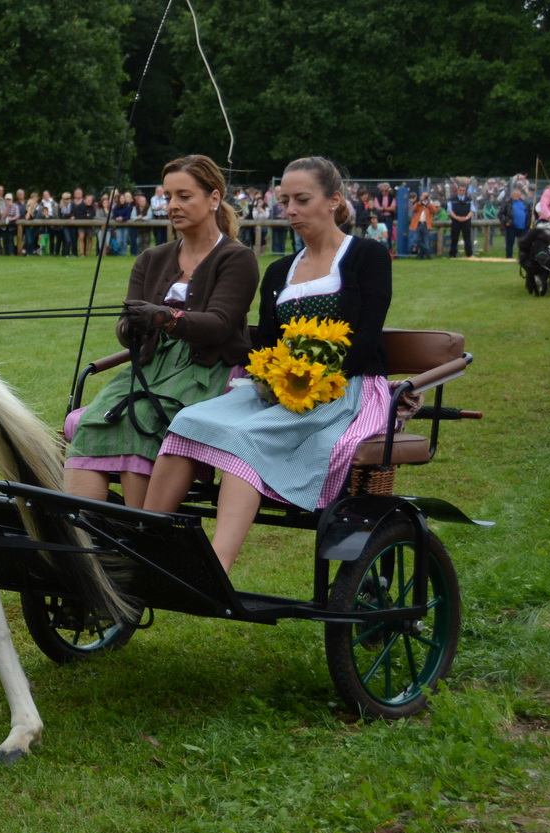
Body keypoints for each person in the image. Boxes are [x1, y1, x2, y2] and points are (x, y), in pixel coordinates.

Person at [143, 156, 393, 570]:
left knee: (246, 438)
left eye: (302, 200)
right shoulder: (279, 271)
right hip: (281, 389)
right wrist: (269, 379)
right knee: (187, 421)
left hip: (346, 389)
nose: (290, 210)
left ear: (334, 200)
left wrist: (314, 381)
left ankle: (217, 569)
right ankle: (146, 548)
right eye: (285, 201)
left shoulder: (367, 256)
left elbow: (366, 337)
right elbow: (268, 344)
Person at [65, 156, 260, 508]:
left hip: (208, 367)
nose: (172, 206)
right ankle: (83, 530)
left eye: (184, 196)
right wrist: (131, 325)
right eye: (168, 197)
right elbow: (127, 332)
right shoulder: (151, 258)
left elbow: (218, 326)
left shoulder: (237, 258)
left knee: (141, 418)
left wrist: (165, 318)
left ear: (214, 199)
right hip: (150, 365)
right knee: (93, 421)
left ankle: (142, 529)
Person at [504, 179, 533, 258]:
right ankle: (509, 258)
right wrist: (506, 221)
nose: (516, 196)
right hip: (511, 226)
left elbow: (530, 213)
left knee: (523, 244)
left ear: (520, 195)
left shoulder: (525, 203)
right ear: (512, 195)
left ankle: (522, 258)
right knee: (510, 243)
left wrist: (529, 223)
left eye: (517, 194)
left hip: (524, 227)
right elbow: (501, 214)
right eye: (514, 194)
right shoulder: (508, 203)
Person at [447, 178, 475, 256]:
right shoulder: (452, 200)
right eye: (460, 190)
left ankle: (469, 254)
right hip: (455, 222)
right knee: (454, 238)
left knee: (467, 238)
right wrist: (456, 217)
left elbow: (472, 210)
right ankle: (453, 254)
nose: (462, 192)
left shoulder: (469, 200)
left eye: (463, 190)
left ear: (465, 191)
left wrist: (466, 218)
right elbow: (450, 210)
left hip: (466, 221)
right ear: (457, 190)